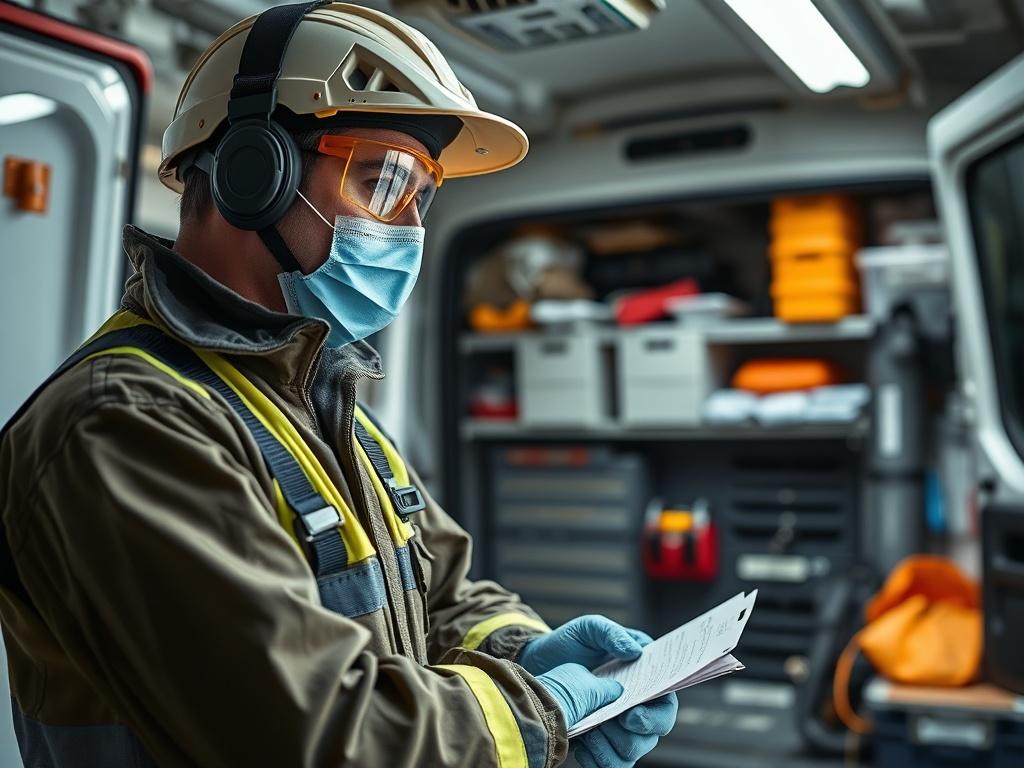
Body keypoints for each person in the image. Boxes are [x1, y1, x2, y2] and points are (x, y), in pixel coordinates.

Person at [0, 3, 676, 767]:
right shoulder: (123, 423)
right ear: (253, 170)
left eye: (424, 194)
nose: (409, 227)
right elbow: (310, 735)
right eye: (385, 179)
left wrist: (525, 651)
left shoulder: (318, 396)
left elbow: (443, 594)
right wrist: (535, 716)